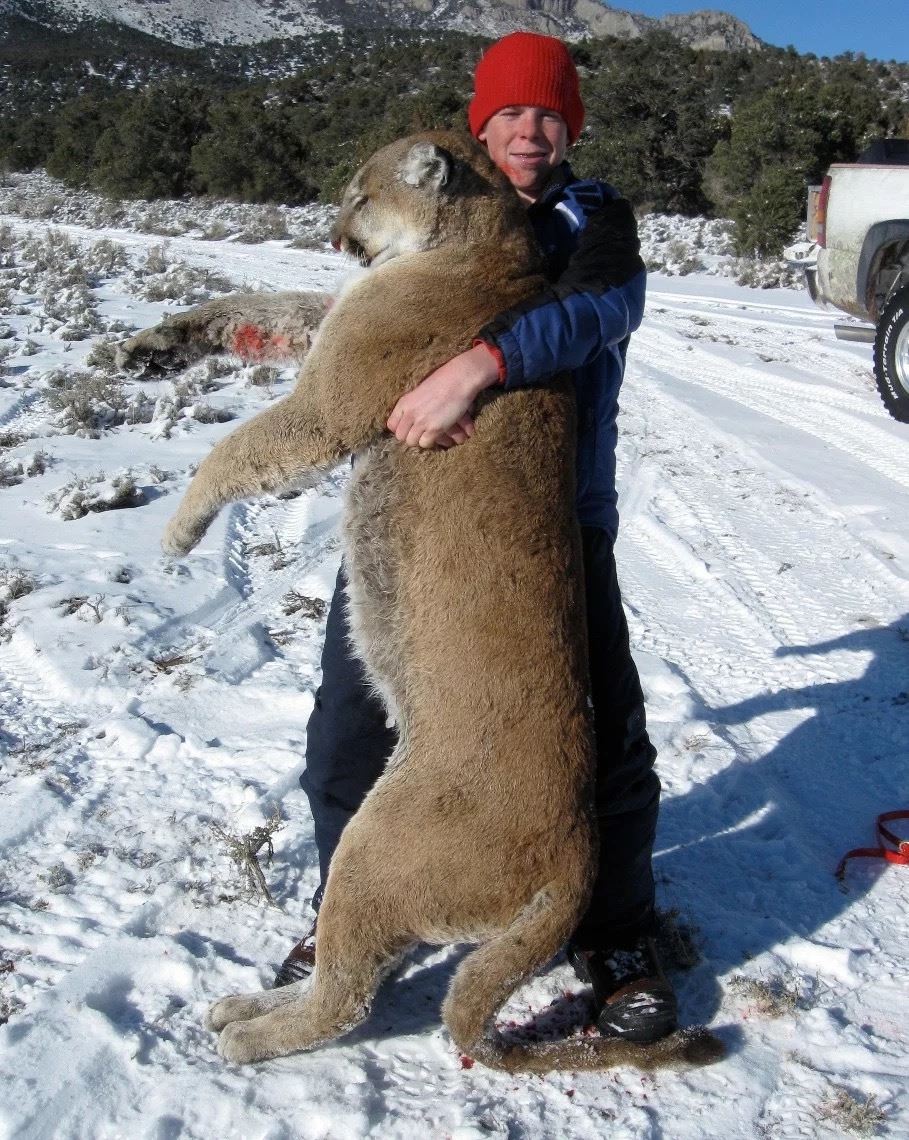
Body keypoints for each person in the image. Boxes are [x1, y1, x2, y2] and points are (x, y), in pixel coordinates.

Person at [276, 31, 677, 1045]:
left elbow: (601, 307)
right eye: (508, 114)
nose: (528, 132)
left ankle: (616, 938)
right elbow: (368, 330)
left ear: (570, 127)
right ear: (480, 126)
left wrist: (480, 365)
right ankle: (345, 917)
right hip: (415, 522)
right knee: (350, 729)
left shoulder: (594, 218)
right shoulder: (437, 215)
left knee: (603, 738)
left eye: (548, 113)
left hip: (550, 528)